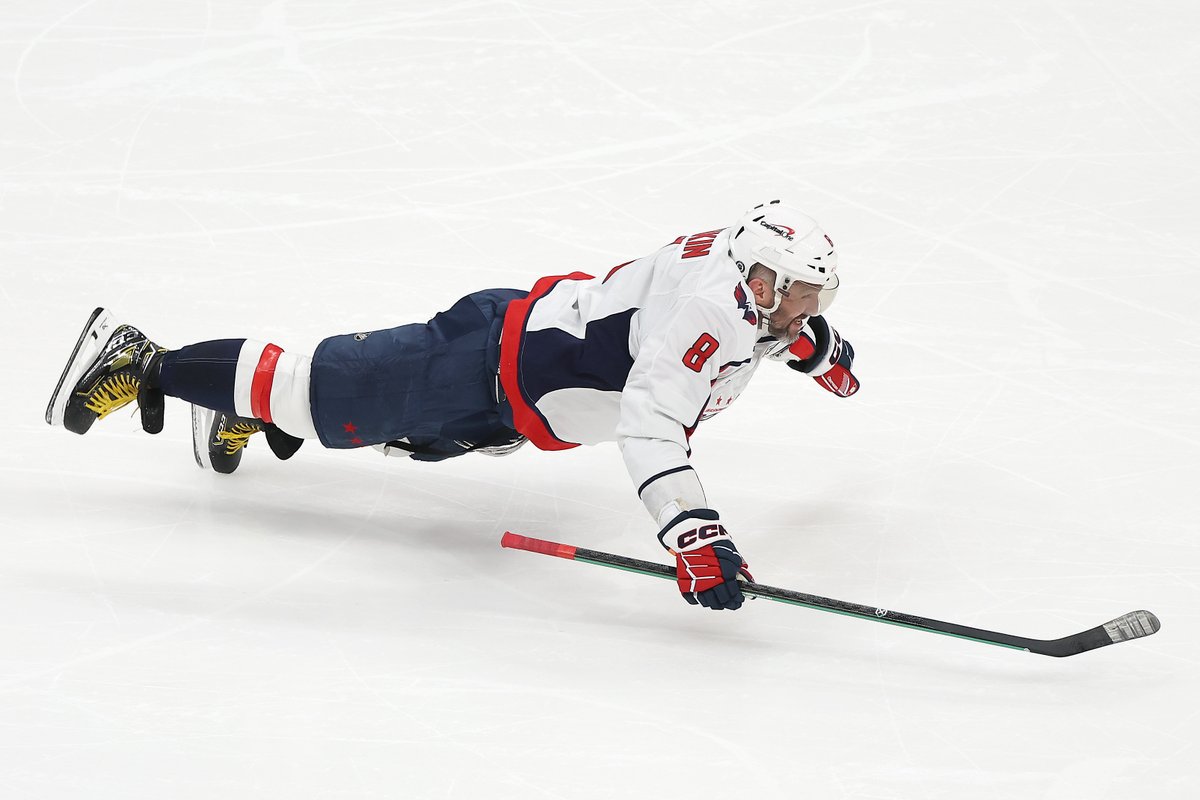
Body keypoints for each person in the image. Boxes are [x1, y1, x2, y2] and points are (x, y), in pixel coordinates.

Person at [45, 201, 860, 612]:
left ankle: (246, 411)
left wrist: (807, 345)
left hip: (511, 396)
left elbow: (756, 331)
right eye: (800, 298)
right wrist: (696, 536)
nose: (807, 310)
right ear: (759, 278)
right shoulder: (711, 315)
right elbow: (653, 421)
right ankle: (143, 360)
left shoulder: (745, 285)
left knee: (397, 439)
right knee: (317, 392)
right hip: (483, 363)